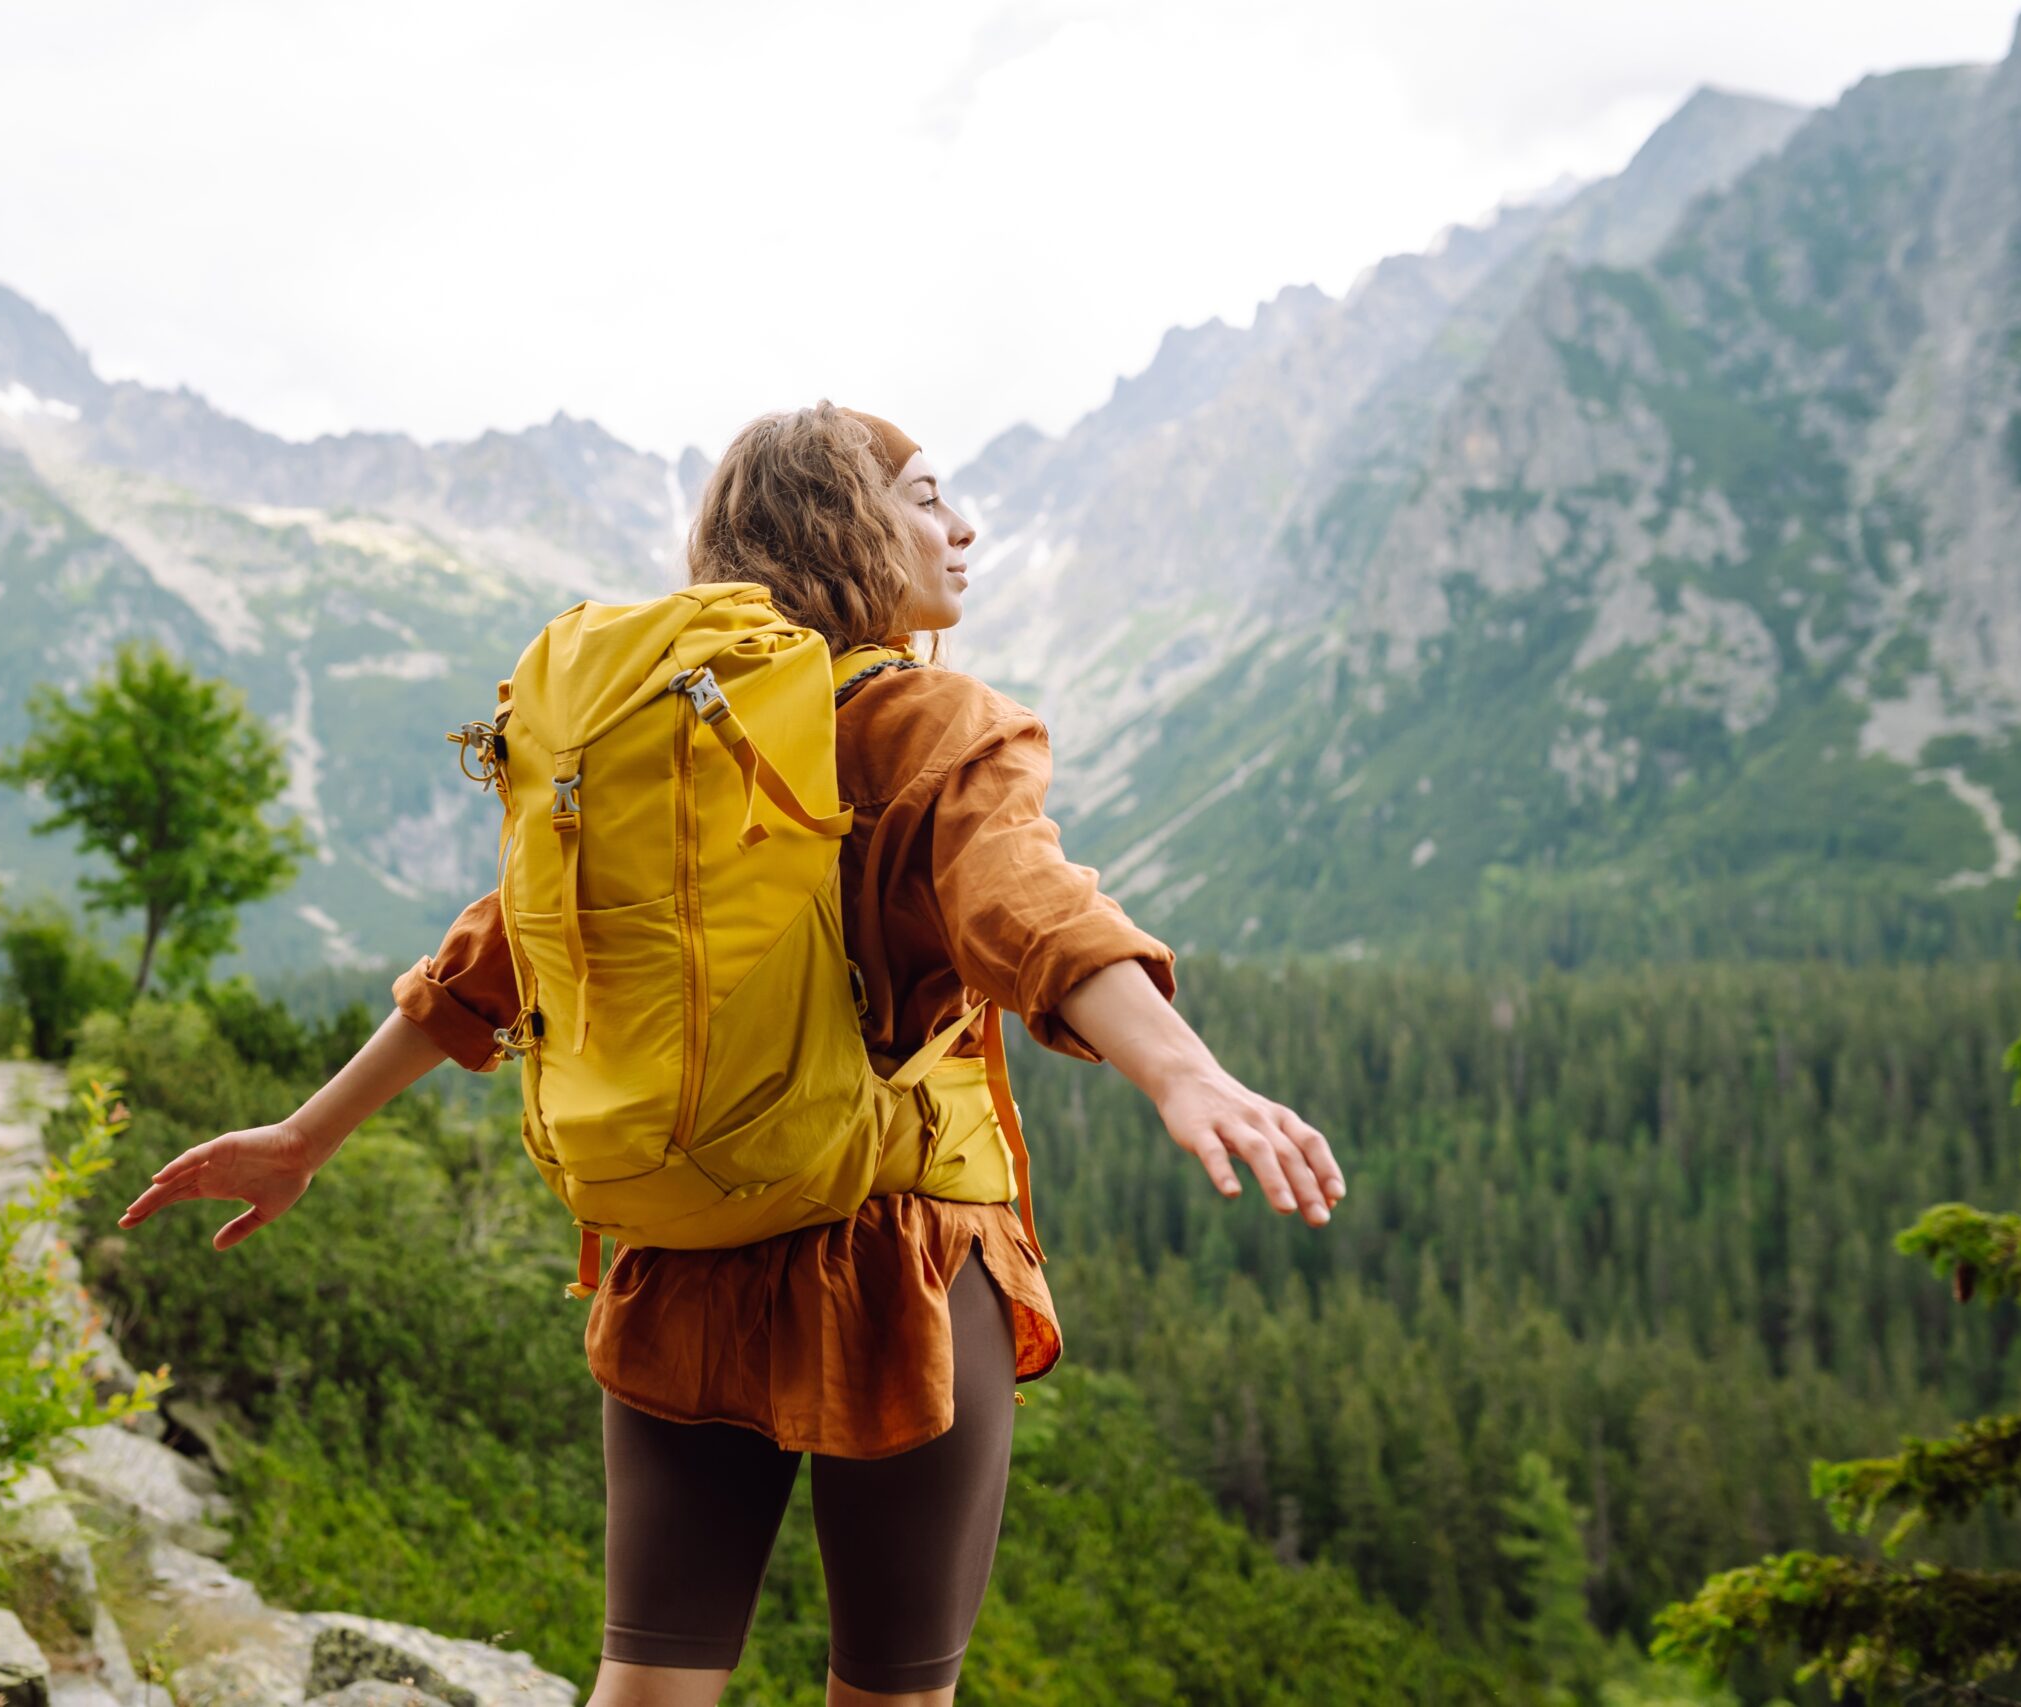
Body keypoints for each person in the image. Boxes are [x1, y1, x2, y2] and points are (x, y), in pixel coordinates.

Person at [116, 401, 1347, 1707]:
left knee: (647, 1688)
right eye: (925, 496)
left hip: (680, 1255)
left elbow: (494, 953)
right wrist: (1180, 1068)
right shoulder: (918, 721)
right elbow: (1026, 903)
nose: (964, 525)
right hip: (901, 1264)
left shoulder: (653, 745)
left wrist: (306, 1135)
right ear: (843, 525)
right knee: (890, 1693)